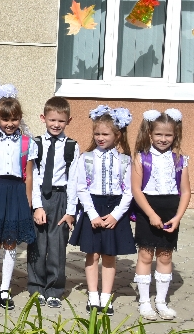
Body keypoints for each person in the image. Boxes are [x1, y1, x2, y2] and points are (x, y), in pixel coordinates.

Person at [69, 105, 135, 316]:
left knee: (109, 255)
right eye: (97, 133)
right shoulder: (86, 158)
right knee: (93, 254)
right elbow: (81, 188)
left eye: (105, 134)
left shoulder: (125, 161)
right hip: (93, 207)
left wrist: (116, 215)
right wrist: (92, 214)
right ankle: (93, 295)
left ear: (117, 135)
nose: (100, 137)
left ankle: (106, 296)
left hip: (115, 209)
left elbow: (129, 192)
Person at [0, 85, 38, 311]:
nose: (10, 123)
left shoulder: (27, 143)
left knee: (11, 242)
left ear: (20, 118)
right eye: (5, 119)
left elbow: (29, 174)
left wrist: (29, 200)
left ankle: (5, 288)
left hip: (16, 193)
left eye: (14, 119)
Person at [131, 109, 189, 321]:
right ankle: (145, 302)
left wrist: (178, 217)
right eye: (158, 134)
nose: (163, 139)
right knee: (146, 255)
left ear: (175, 135)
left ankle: (161, 302)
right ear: (150, 134)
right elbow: (136, 190)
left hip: (170, 211)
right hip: (148, 209)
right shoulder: (141, 158)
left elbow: (186, 192)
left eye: (168, 135)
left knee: (165, 256)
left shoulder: (180, 160)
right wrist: (151, 215)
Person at [28, 97, 79, 309]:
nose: (56, 124)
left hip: (60, 198)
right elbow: (33, 176)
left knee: (57, 246)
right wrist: (37, 206)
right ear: (43, 118)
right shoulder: (36, 143)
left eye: (61, 121)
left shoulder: (72, 146)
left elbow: (74, 180)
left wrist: (70, 211)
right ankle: (36, 287)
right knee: (37, 245)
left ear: (68, 121)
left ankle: (55, 290)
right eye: (52, 120)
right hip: (40, 196)